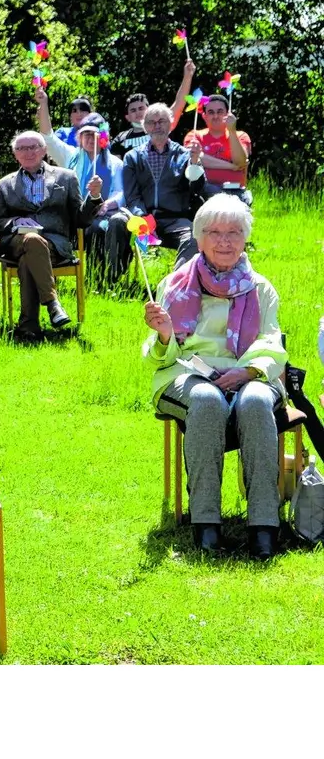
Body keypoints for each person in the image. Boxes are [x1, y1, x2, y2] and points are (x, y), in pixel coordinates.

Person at [144, 194, 287, 559]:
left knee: (256, 401)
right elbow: (158, 356)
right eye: (215, 232)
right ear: (199, 237)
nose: (225, 241)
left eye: (234, 233)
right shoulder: (174, 285)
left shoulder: (261, 288)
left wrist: (247, 371)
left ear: (245, 238)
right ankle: (206, 526)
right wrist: (163, 333)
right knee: (206, 400)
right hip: (187, 373)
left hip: (249, 370)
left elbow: (271, 341)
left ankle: (264, 527)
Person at [0, 132, 102, 340]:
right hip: (16, 242)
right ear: (15, 154)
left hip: (55, 245)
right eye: (22, 148)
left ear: (44, 150)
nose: (28, 152)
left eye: (34, 147)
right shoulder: (3, 185)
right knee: (31, 241)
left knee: (29, 258)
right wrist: (15, 222)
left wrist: (94, 197)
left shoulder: (66, 177)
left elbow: (81, 219)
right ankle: (53, 305)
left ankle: (28, 326)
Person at [36, 89, 130, 281]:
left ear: (103, 138)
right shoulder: (70, 157)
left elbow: (121, 193)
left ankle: (109, 277)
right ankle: (95, 277)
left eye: (95, 135)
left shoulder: (115, 163)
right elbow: (48, 136)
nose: (90, 139)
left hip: (105, 214)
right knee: (92, 229)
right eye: (85, 134)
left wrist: (106, 204)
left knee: (105, 226)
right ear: (79, 137)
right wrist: (43, 103)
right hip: (76, 215)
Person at [121, 102, 205, 268]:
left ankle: (176, 285)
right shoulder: (132, 157)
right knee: (116, 223)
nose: (157, 126)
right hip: (143, 217)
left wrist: (195, 164)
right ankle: (112, 278)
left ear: (171, 124)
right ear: (145, 126)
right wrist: (143, 216)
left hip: (175, 219)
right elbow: (132, 195)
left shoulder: (185, 155)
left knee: (193, 237)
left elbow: (197, 189)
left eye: (162, 121)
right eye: (152, 122)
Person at [110, 61, 196, 158]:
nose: (138, 112)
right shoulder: (121, 138)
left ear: (148, 111)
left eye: (141, 108)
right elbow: (115, 166)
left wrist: (187, 76)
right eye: (133, 110)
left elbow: (179, 103)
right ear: (127, 117)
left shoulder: (161, 126)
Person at [183, 93, 253, 206]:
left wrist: (232, 131)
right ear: (204, 116)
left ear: (228, 114)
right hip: (206, 191)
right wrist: (231, 166)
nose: (216, 116)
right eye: (211, 112)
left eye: (220, 112)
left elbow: (240, 161)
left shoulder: (240, 136)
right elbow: (198, 158)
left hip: (236, 191)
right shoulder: (195, 135)